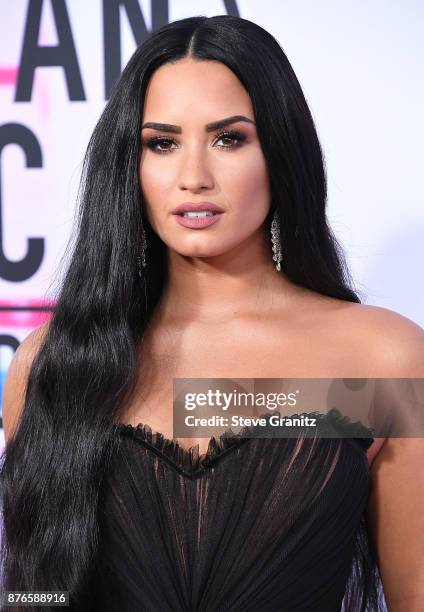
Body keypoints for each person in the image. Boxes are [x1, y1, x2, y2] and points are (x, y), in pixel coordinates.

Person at [1, 14, 423, 612]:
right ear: (131, 164)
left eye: (229, 139)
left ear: (279, 151)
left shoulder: (383, 361)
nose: (193, 177)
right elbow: (32, 596)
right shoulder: (54, 363)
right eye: (162, 143)